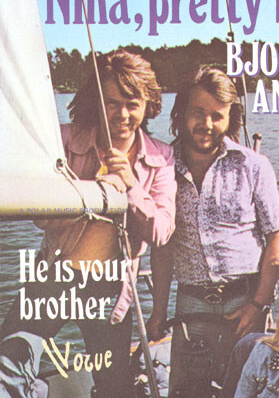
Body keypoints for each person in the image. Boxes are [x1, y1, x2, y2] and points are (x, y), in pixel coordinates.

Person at [0, 49, 176, 397]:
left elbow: (161, 231)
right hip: (53, 278)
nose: (122, 114)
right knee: (8, 363)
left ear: (148, 104)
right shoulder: (63, 142)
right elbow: (41, 217)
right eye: (112, 103)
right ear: (96, 101)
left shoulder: (162, 157)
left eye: (132, 104)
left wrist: (130, 186)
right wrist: (95, 192)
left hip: (111, 289)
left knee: (114, 387)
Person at [146, 67, 279, 396]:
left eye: (217, 116)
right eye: (198, 113)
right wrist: (158, 312)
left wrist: (258, 304)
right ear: (180, 114)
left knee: (245, 389)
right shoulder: (163, 168)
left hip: (246, 299)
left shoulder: (254, 166)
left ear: (230, 119)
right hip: (190, 303)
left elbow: (276, 237)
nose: (207, 124)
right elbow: (162, 247)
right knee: (185, 391)